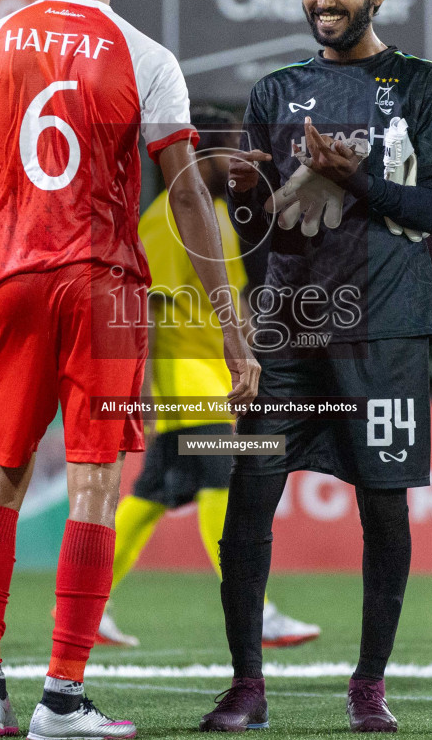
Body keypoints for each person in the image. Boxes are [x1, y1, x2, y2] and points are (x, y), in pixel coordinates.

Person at [0, 0, 258, 740]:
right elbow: (189, 198)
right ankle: (62, 696)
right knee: (93, 480)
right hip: (101, 285)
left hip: (8, 281)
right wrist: (235, 331)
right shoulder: (146, 56)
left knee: (0, 472)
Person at [200, 0, 432, 734]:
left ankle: (368, 686)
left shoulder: (423, 84)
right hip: (287, 328)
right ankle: (247, 685)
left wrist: (358, 177)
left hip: (383, 329)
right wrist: (234, 189)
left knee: (384, 509)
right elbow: (255, 227)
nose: (323, 0)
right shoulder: (274, 93)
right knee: (249, 499)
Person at [104, 103, 320, 651]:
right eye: (231, 150)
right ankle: (256, 607)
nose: (239, 161)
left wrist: (252, 353)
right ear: (200, 152)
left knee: (152, 494)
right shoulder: (165, 219)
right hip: (188, 382)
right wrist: (147, 396)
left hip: (216, 376)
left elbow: (234, 301)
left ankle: (86, 605)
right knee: (225, 482)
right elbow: (147, 314)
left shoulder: (216, 214)